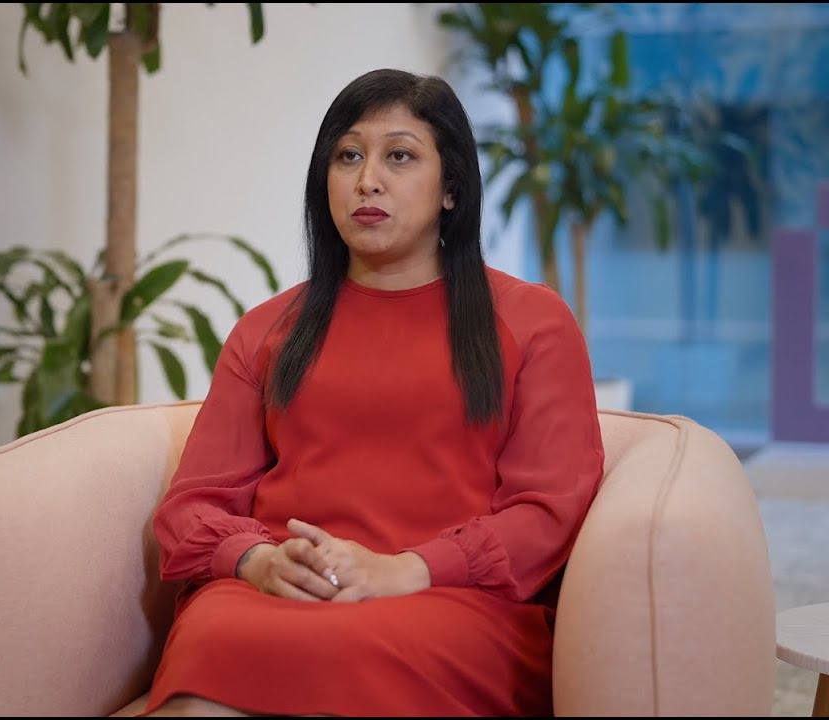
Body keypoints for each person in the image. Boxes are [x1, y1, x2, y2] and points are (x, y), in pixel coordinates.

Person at [140, 68, 606, 717]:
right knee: (212, 648)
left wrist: (405, 569)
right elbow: (191, 508)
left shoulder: (534, 322)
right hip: (277, 592)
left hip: (452, 603)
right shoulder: (268, 330)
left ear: (450, 188)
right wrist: (256, 562)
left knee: (344, 653)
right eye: (349, 155)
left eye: (400, 156)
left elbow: (549, 512)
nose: (368, 181)